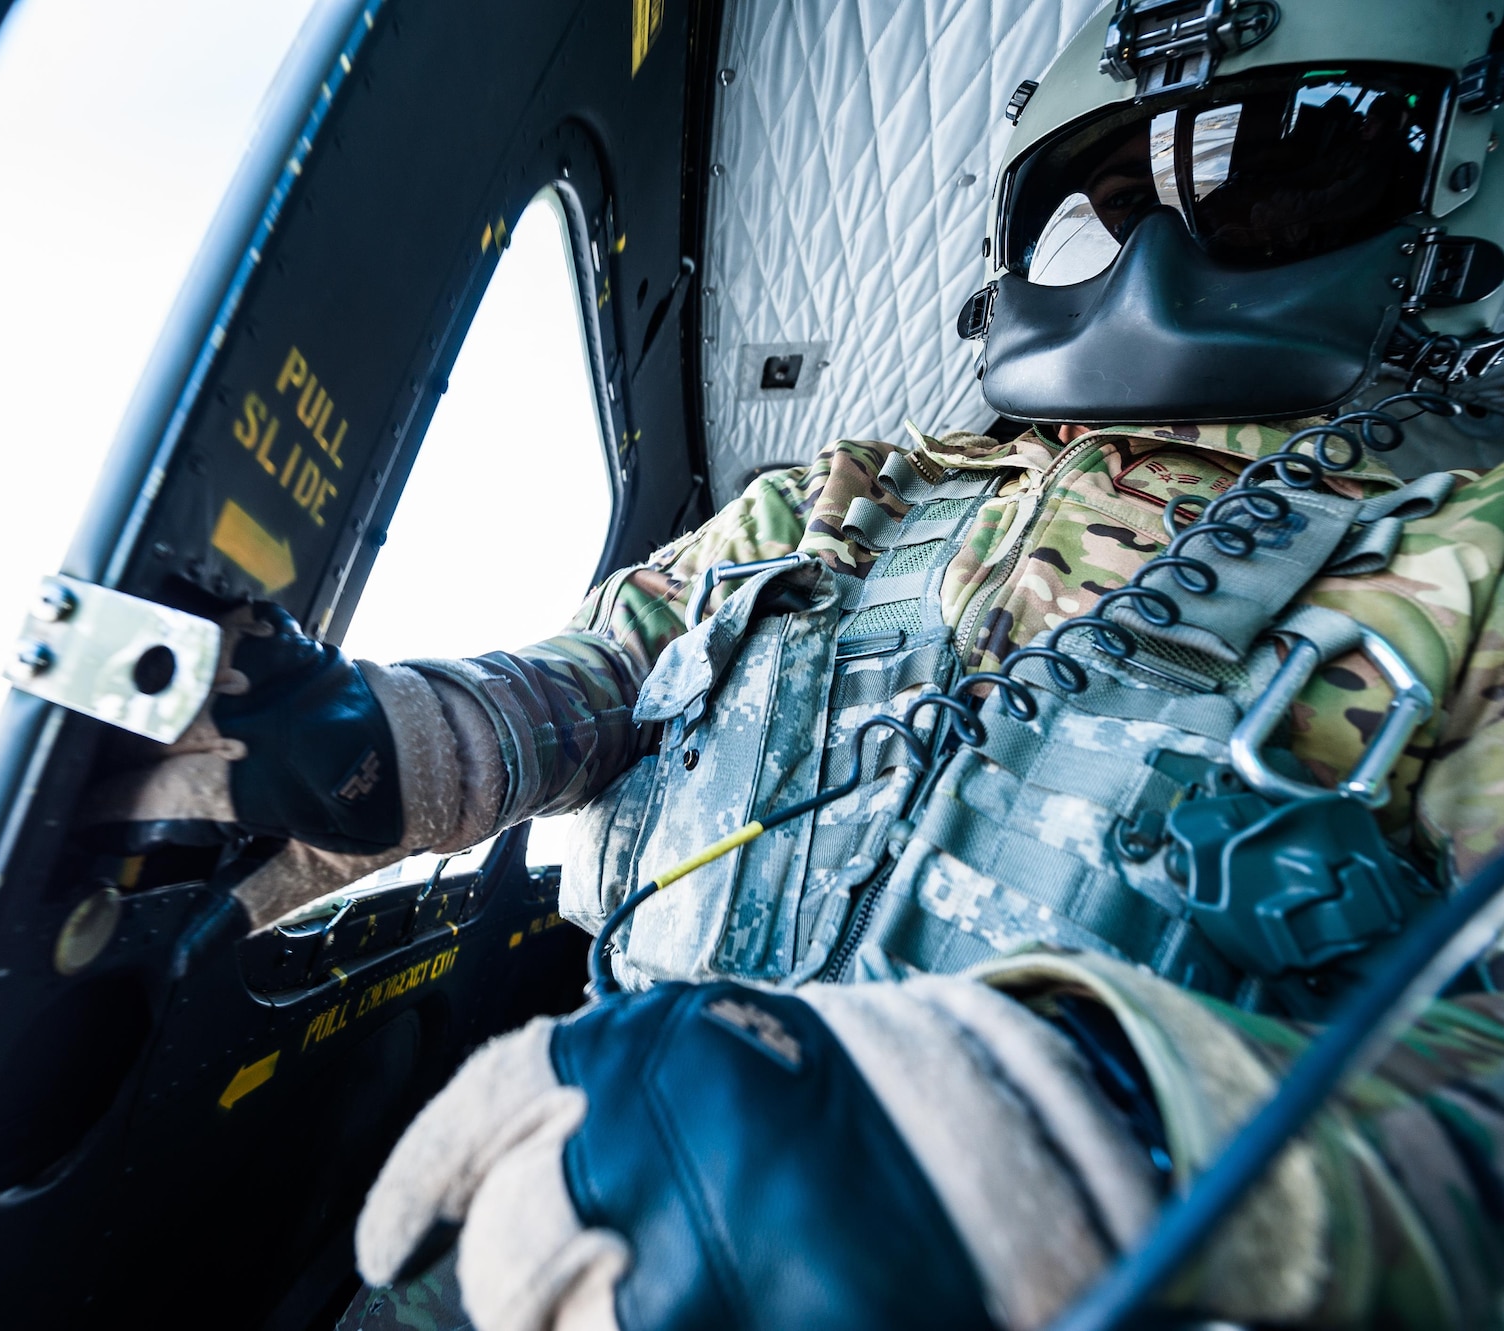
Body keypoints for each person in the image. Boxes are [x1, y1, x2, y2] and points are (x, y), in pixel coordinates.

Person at [89, 2, 1504, 1326]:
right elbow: (592, 678)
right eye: (1103, 211)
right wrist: (363, 747)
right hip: (596, 1198)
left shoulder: (1472, 557)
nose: (1154, 263)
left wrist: (1070, 1132)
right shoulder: (847, 493)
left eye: (1281, 175)